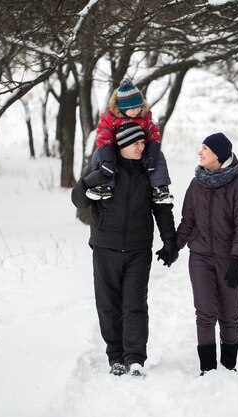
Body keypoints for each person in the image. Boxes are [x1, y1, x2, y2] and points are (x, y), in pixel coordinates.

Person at [71, 122, 180, 378]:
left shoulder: (148, 170)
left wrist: (169, 241)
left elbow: (162, 208)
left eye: (143, 142)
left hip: (138, 249)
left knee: (135, 304)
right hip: (105, 247)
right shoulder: (104, 169)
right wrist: (89, 181)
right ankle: (115, 356)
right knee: (108, 304)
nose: (142, 147)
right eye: (136, 143)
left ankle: (135, 358)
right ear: (121, 144)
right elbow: (78, 200)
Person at [176, 133, 238, 375]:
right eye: (201, 148)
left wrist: (237, 259)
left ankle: (229, 367)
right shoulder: (196, 183)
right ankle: (208, 370)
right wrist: (173, 247)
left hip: (229, 260)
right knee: (205, 314)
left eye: (205, 149)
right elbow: (187, 222)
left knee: (229, 315)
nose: (200, 153)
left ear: (218, 155)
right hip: (200, 258)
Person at [85, 78, 173, 204]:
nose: (137, 111)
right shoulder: (110, 118)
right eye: (133, 108)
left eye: (138, 107)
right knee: (99, 155)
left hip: (140, 148)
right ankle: (104, 185)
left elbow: (153, 132)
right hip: (115, 148)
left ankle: (160, 188)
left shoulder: (144, 116)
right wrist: (106, 154)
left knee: (158, 156)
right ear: (122, 107)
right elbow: (103, 135)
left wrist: (153, 148)